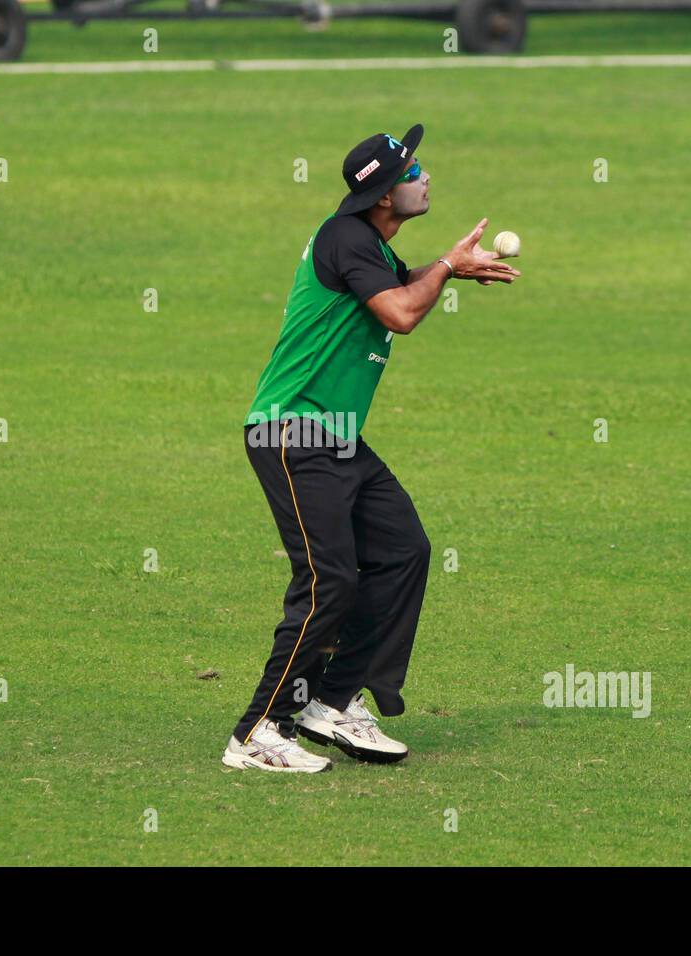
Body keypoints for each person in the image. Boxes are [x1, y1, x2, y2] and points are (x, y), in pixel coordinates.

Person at [221, 123, 521, 773]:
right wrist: (446, 266)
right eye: (412, 173)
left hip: (336, 437)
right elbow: (401, 314)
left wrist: (449, 270)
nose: (424, 177)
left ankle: (330, 700)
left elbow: (400, 287)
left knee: (402, 550)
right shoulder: (346, 237)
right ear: (384, 195)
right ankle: (255, 732)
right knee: (328, 580)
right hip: (292, 431)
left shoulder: (371, 249)